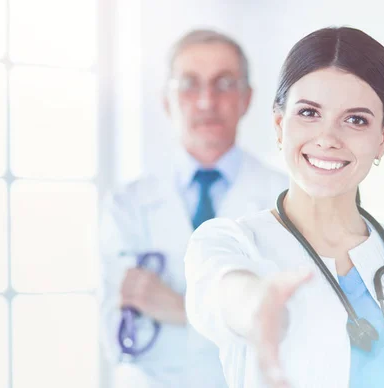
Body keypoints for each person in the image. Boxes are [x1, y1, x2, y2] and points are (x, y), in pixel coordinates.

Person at [184, 27, 384, 388]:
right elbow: (223, 292)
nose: (327, 138)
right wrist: (257, 306)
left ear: (383, 139)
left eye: (355, 119)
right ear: (280, 124)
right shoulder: (230, 242)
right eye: (309, 113)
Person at [98, 29, 288, 388]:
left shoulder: (286, 199)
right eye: (189, 84)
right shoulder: (127, 204)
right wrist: (235, 315)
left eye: (224, 83)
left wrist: (178, 307)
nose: (206, 101)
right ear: (167, 100)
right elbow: (115, 336)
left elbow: (292, 326)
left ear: (247, 98)